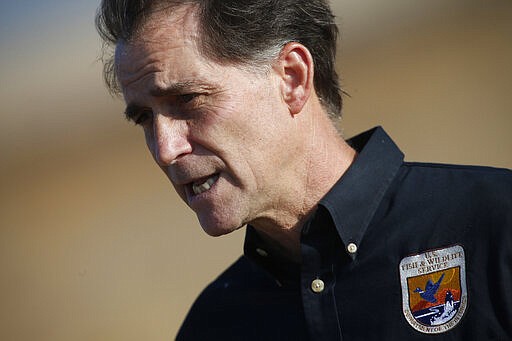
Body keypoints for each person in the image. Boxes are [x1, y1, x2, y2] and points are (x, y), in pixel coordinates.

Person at [95, 0, 512, 339]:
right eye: (145, 119)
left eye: (188, 100)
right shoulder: (214, 325)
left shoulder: (495, 224)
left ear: (292, 79)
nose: (165, 149)